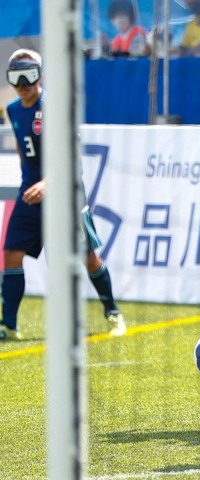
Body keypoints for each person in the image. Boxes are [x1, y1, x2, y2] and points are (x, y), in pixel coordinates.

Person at [0, 49, 126, 341]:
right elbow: (23, 148)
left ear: (40, 74)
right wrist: (31, 182)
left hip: (64, 192)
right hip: (31, 192)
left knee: (88, 258)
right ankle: (8, 325)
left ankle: (113, 312)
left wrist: (47, 183)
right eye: (15, 74)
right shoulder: (13, 109)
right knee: (11, 254)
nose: (22, 82)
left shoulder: (54, 108)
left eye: (28, 73)